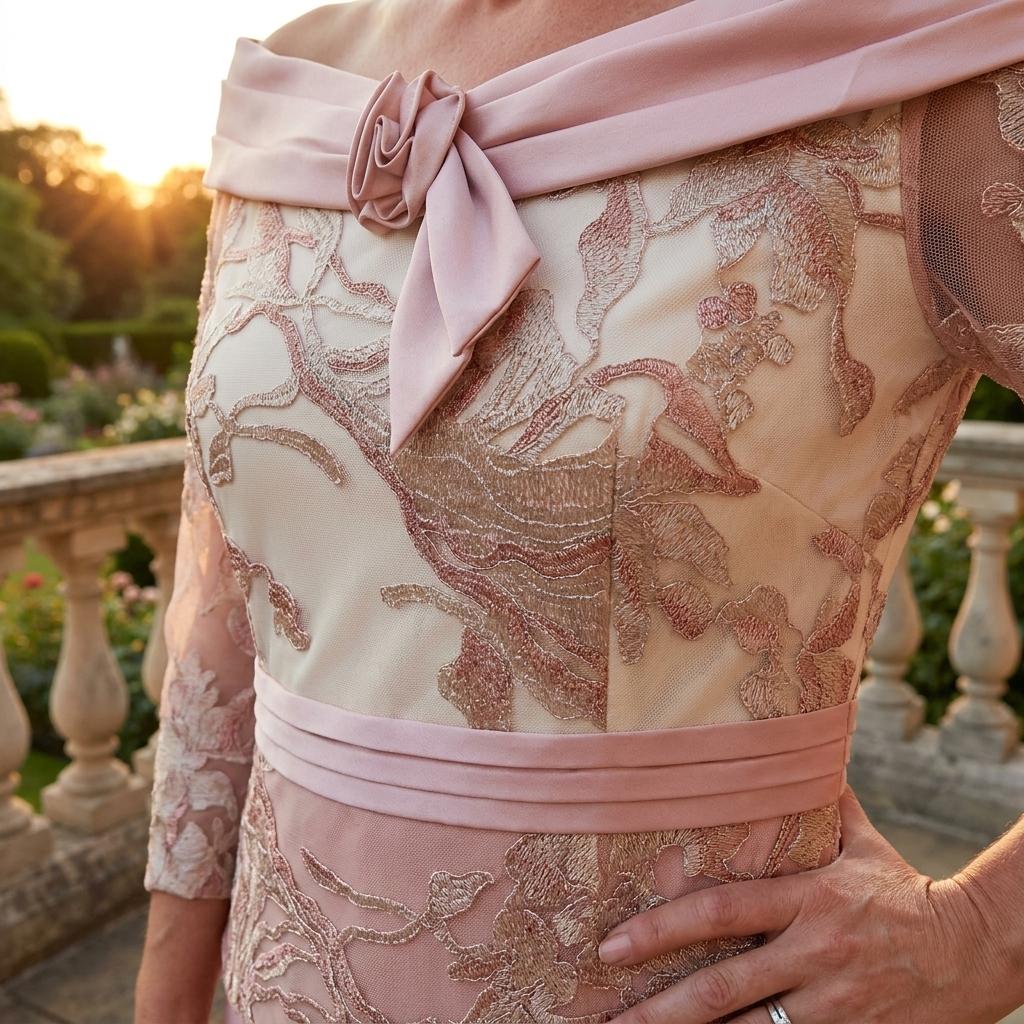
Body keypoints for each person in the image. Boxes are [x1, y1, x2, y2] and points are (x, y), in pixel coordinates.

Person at [134, 1, 1024, 1022]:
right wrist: (166, 996)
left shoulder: (921, 63)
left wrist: (982, 937)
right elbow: (223, 609)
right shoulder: (297, 90)